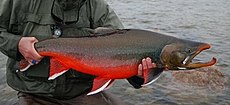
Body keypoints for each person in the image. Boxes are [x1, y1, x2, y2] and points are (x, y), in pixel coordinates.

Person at [0, 0, 156, 104]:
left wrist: (138, 75)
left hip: (80, 92)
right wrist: (17, 44)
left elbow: (123, 50)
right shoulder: (19, 2)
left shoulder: (98, 8)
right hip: (33, 91)